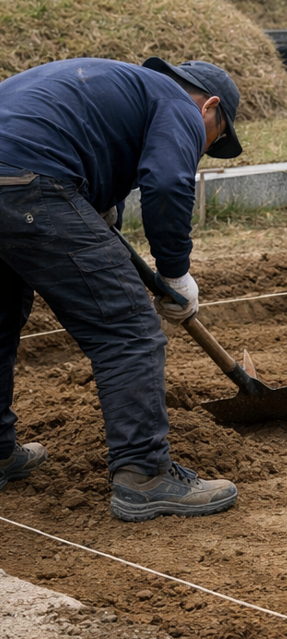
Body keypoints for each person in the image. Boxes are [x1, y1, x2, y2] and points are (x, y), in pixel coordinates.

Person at [0, 56, 248, 521]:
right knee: (127, 327)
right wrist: (175, 273)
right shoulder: (178, 102)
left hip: (20, 174)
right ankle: (145, 475)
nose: (203, 146)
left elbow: (79, 139)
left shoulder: (118, 86)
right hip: (32, 181)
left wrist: (101, 206)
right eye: (213, 138)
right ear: (209, 107)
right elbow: (168, 183)